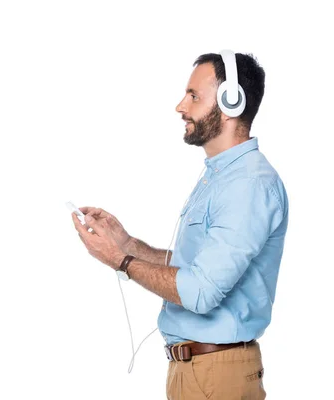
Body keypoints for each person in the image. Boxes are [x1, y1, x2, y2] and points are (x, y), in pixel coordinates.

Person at [71, 50, 288, 399]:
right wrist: (127, 244)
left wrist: (120, 261)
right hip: (201, 371)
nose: (180, 106)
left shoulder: (248, 184)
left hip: (216, 374)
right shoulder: (223, 177)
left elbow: (200, 292)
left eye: (194, 96)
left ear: (231, 101)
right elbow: (196, 268)